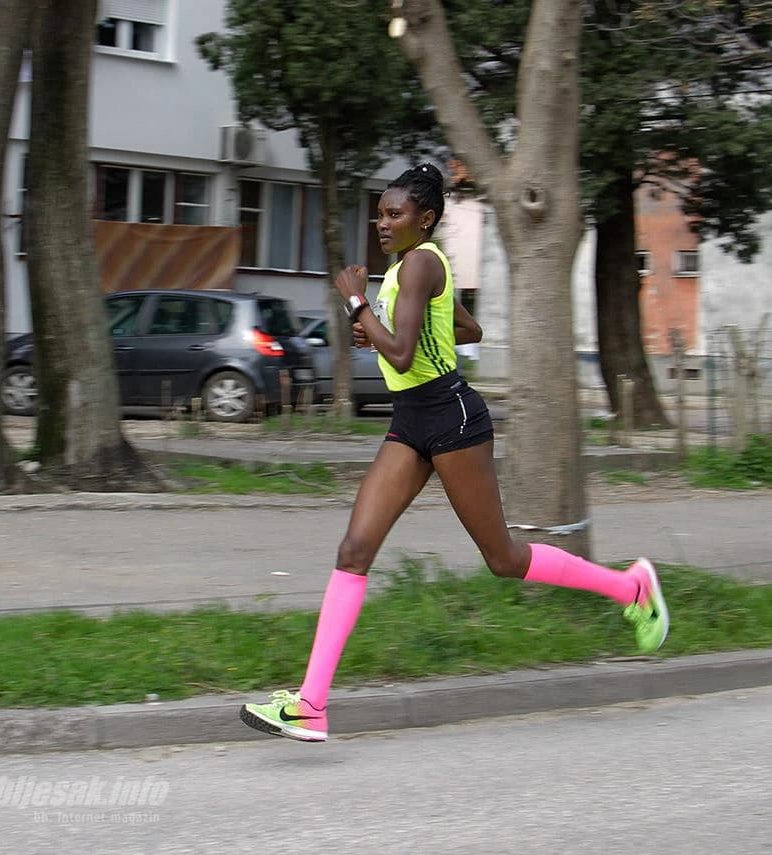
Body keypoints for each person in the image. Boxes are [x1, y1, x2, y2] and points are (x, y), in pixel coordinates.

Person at [239, 164, 669, 742]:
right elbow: (466, 330)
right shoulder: (410, 268)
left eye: (394, 214)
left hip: (451, 418)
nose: (382, 223)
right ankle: (311, 705)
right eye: (380, 213)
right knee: (355, 549)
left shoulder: (420, 262)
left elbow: (400, 354)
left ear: (425, 219)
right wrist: (379, 324)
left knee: (504, 558)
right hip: (411, 421)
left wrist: (357, 305)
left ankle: (631, 588)